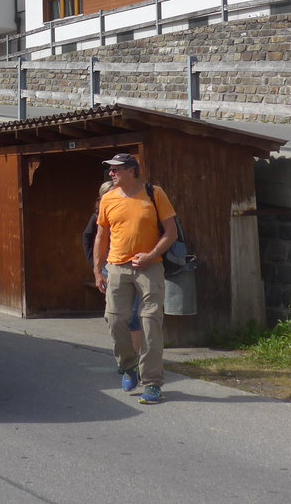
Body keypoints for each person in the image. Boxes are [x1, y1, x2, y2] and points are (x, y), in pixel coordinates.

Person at [92, 154, 176, 405]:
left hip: (149, 268)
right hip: (116, 267)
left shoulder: (154, 193)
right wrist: (98, 270)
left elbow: (171, 233)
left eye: (116, 170)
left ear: (131, 171)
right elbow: (100, 237)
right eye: (110, 170)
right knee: (115, 319)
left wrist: (150, 256)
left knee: (150, 322)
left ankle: (152, 383)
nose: (111, 174)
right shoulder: (108, 199)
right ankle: (128, 367)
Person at [82, 180, 142, 359]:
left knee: (133, 314)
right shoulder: (98, 216)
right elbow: (88, 238)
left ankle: (133, 359)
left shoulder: (130, 209)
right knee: (115, 316)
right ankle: (125, 356)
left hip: (134, 267)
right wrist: (96, 265)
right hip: (110, 268)